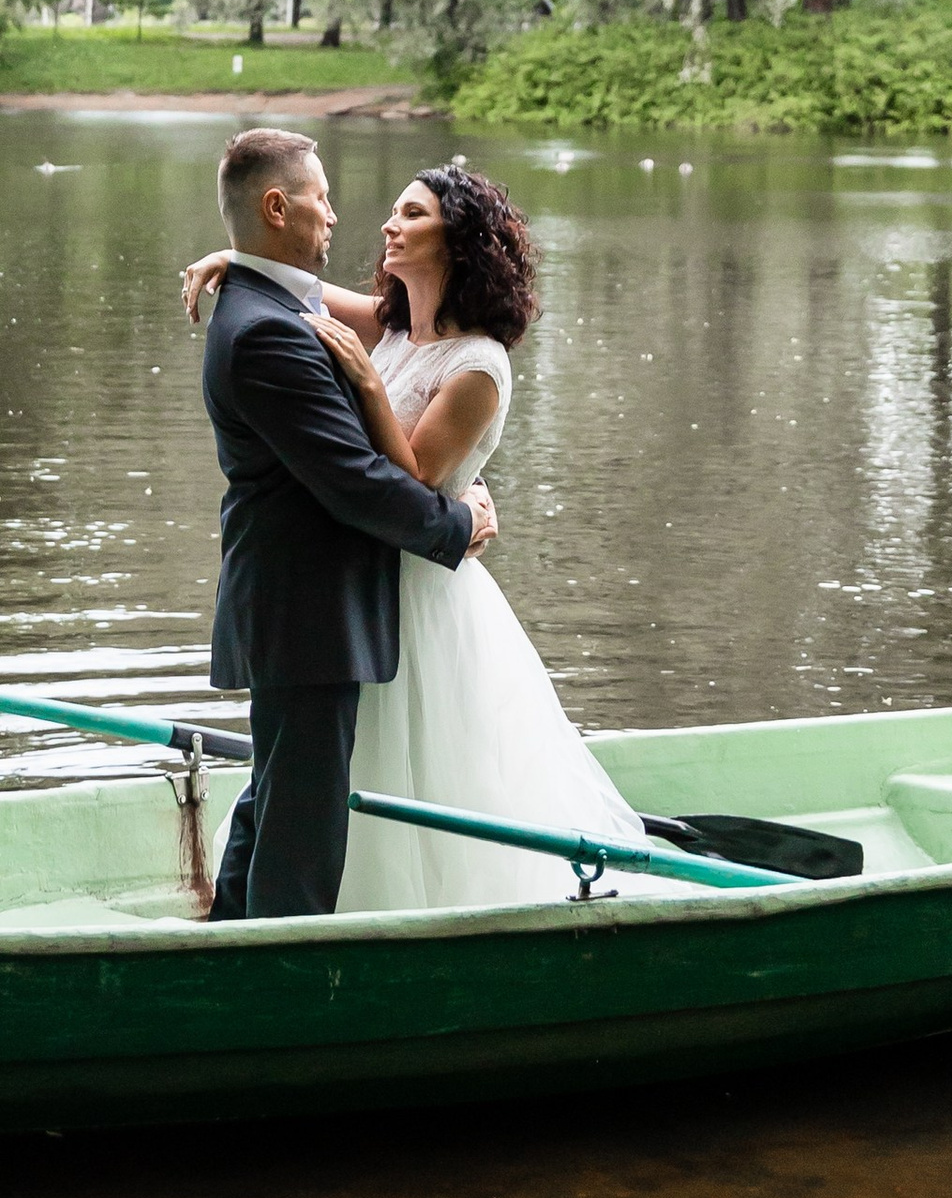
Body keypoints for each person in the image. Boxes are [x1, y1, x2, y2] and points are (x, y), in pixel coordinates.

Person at [184, 153, 645, 914]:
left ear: (457, 241)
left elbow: (415, 481)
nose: (382, 223)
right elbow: (297, 289)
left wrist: (371, 388)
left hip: (416, 587)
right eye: (388, 210)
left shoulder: (476, 363)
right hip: (356, 585)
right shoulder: (386, 321)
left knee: (351, 778)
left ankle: (313, 932)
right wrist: (233, 258)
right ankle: (254, 939)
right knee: (297, 788)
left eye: (413, 213)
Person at [191, 126, 496, 920]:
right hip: (309, 606)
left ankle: (228, 936)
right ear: (277, 206)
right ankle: (276, 987)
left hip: (308, 604)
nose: (339, 217)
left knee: (279, 794)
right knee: (302, 825)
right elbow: (360, 484)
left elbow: (301, 292)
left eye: (408, 213)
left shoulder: (269, 305)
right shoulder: (265, 331)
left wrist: (234, 258)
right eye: (322, 199)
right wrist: (457, 528)